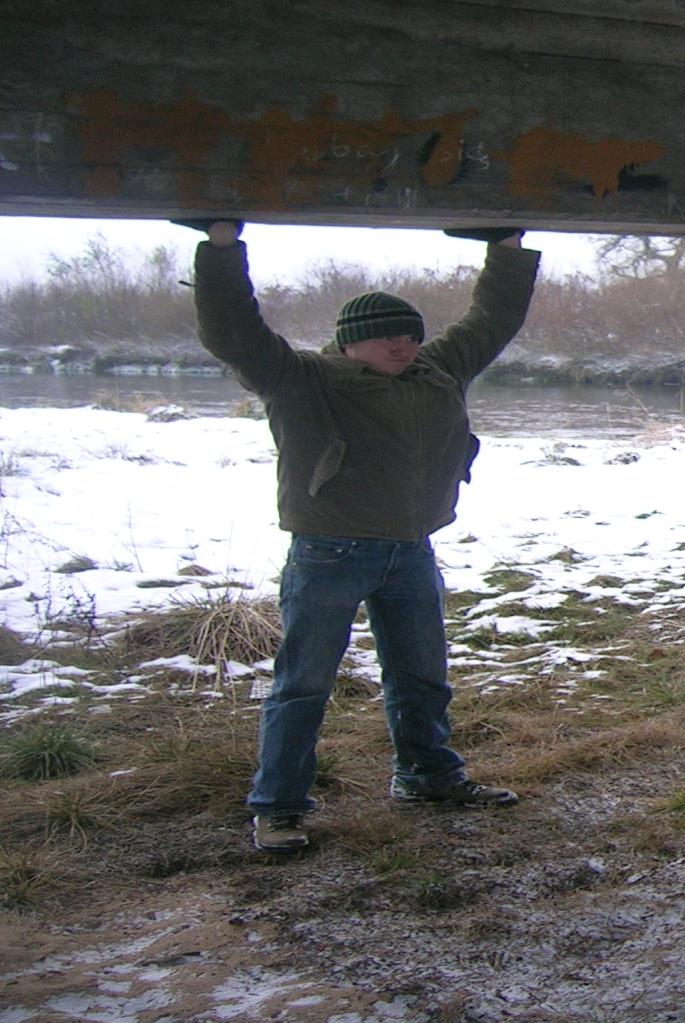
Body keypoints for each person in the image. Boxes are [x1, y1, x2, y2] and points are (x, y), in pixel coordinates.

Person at [186, 219, 539, 854]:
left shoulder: (438, 370)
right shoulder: (299, 378)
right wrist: (220, 249)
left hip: (411, 550)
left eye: (408, 334)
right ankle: (279, 807)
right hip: (329, 553)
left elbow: (493, 320)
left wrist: (506, 250)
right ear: (349, 343)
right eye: (382, 337)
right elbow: (233, 331)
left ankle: (428, 776)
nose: (400, 345)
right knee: (303, 684)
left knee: (423, 676)